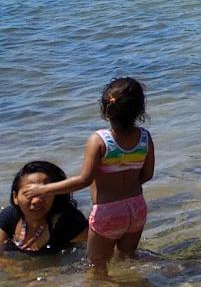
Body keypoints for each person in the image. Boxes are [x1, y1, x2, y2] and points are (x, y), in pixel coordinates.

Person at [26, 78, 154, 276]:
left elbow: (84, 180)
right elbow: (147, 175)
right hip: (137, 208)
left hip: (108, 211)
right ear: (139, 109)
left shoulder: (99, 140)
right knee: (128, 258)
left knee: (96, 267)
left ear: (105, 108)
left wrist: (42, 189)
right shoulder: (145, 137)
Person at [1, 161, 88, 255]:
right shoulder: (9, 216)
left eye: (43, 193)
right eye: (28, 194)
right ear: (15, 197)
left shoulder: (70, 222)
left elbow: (95, 252)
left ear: (56, 194)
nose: (36, 201)